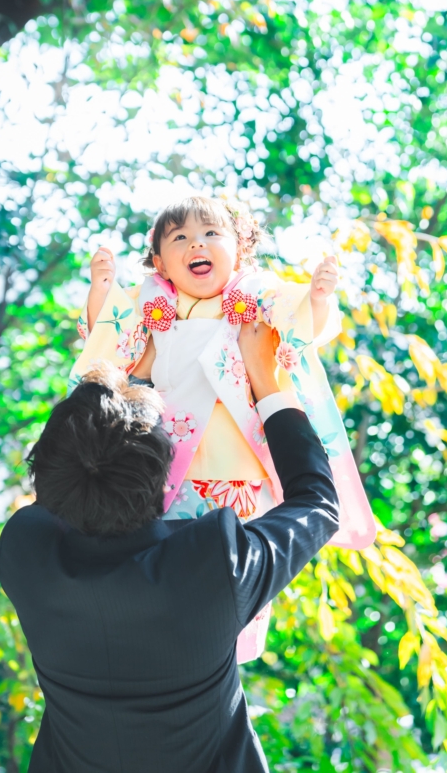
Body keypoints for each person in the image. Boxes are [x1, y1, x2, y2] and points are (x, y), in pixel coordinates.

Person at [0, 322, 342, 773]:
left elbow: (69, 481)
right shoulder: (215, 565)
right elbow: (318, 502)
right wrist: (265, 378)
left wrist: (130, 387)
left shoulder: (27, 555)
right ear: (165, 484)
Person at [69, 196, 375, 660]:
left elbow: (297, 322)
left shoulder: (255, 294)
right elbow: (108, 336)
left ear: (240, 250)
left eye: (212, 234)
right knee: (168, 565)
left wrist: (317, 298)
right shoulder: (153, 302)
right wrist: (101, 288)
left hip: (241, 466)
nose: (198, 244)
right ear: (160, 264)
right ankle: (173, 649)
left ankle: (224, 654)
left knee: (237, 575)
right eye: (180, 238)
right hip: (172, 467)